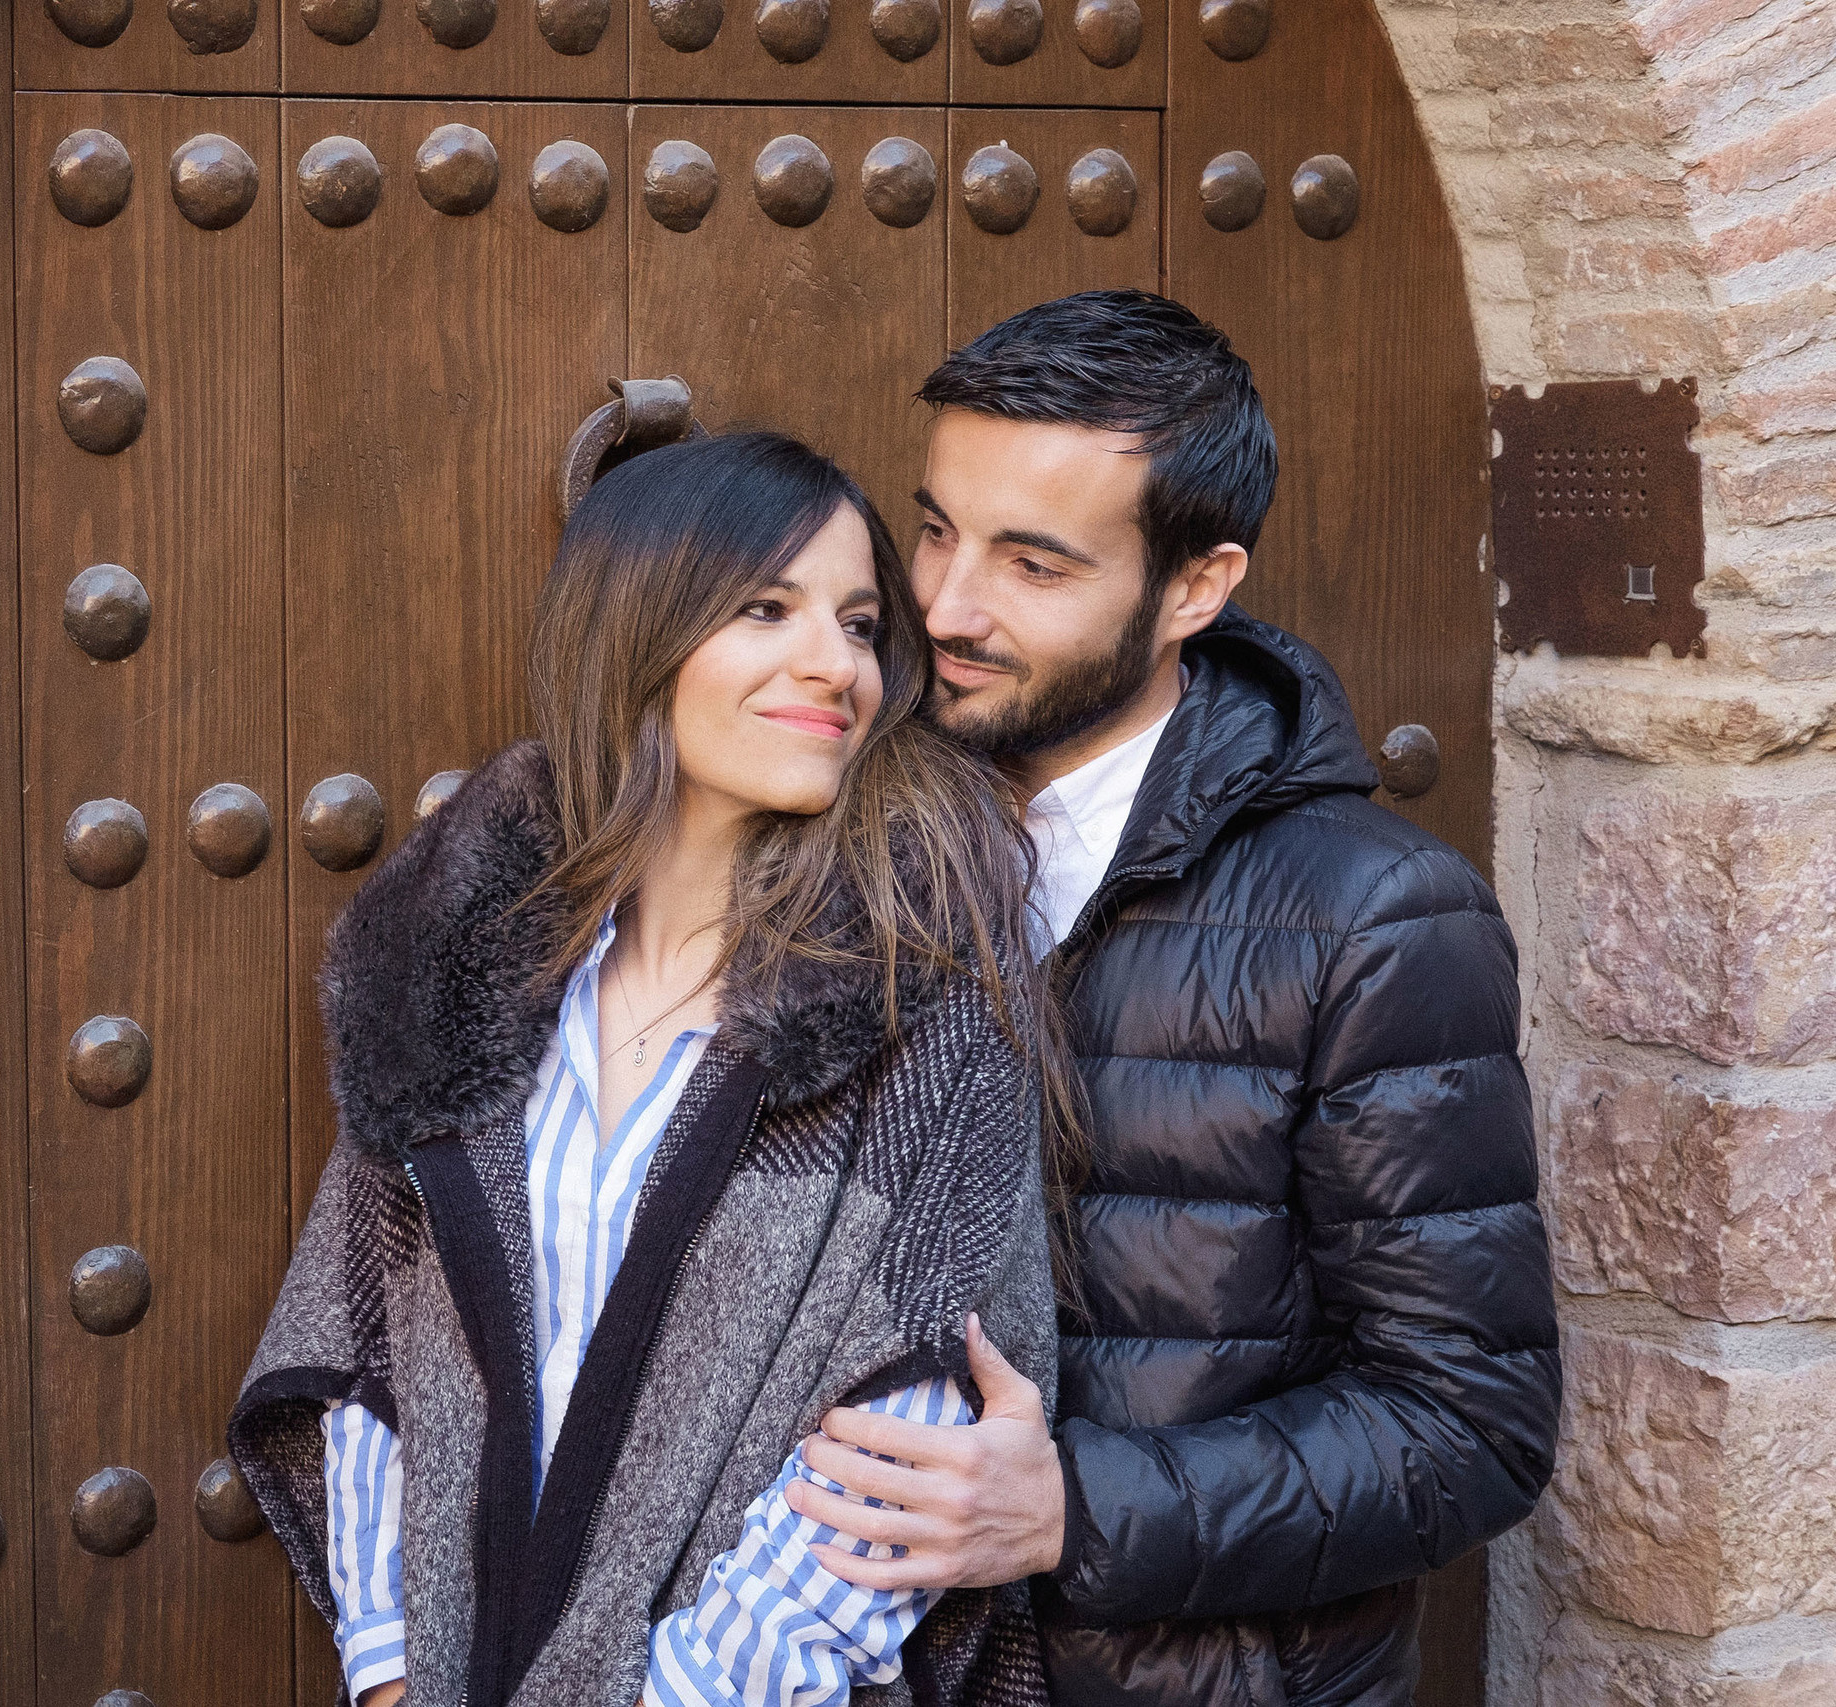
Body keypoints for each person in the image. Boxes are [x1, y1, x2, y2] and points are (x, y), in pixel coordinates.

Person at [784, 291, 1562, 1705]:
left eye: (1033, 563)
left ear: (1197, 587)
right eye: (938, 530)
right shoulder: (826, 828)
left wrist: (1073, 1510)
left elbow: (1469, 1422)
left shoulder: (1376, 916)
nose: (946, 606)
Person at [229, 432, 1064, 1707]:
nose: (835, 664)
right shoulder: (459, 971)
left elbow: (907, 1432)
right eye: (765, 609)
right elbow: (368, 1356)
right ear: (634, 634)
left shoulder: (924, 985)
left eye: (856, 623)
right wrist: (393, 1673)